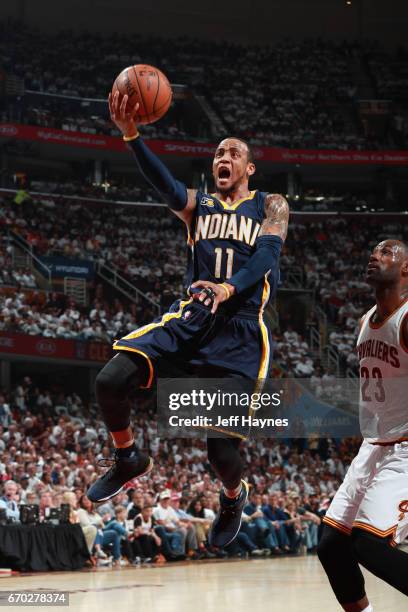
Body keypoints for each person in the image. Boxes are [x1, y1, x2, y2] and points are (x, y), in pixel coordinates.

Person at [87, 91, 289, 549]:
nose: (224, 157)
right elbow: (165, 186)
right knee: (110, 378)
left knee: (220, 451)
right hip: (191, 317)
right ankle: (127, 459)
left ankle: (234, 497)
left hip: (239, 331)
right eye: (219, 152)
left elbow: (267, 258)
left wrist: (229, 286)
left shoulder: (271, 205)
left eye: (234, 152)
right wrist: (132, 135)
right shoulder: (199, 205)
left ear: (249, 168)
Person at [318, 239, 408, 611]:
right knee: (330, 544)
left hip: (405, 445)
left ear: (406, 269)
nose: (374, 256)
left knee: (367, 542)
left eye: (387, 252)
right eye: (373, 251)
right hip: (373, 444)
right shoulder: (363, 321)